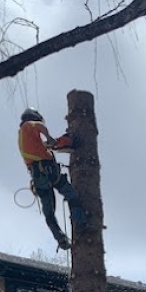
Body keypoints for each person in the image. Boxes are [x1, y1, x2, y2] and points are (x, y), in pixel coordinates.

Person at [18, 107, 88, 250]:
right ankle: (81, 223)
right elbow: (39, 126)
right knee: (72, 195)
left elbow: (46, 147)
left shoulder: (26, 140)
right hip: (49, 173)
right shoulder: (27, 126)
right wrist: (49, 137)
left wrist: (53, 144)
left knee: (49, 212)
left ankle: (61, 239)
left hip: (38, 178)